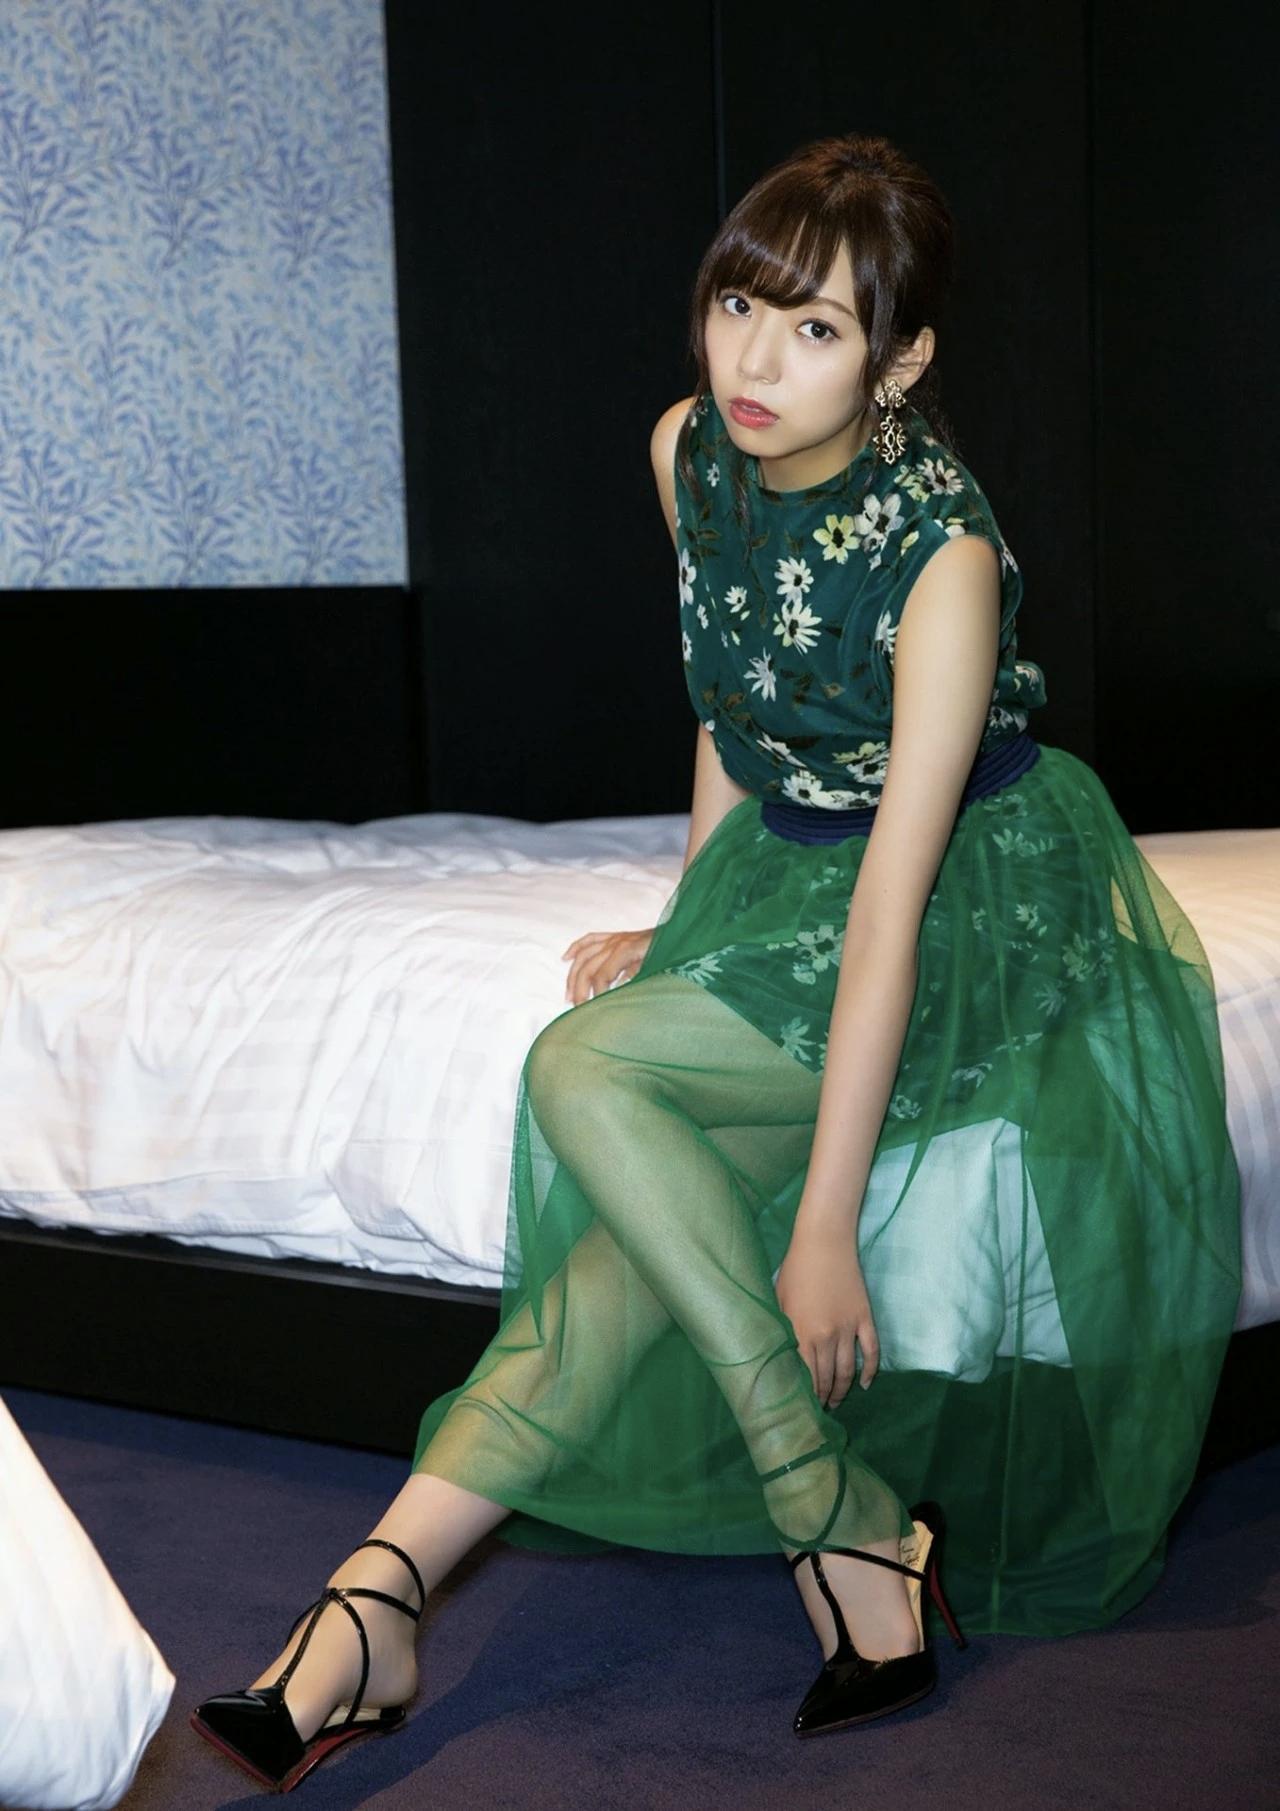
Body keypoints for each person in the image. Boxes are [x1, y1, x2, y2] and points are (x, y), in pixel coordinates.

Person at [190, 131, 1242, 1790]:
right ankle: (397, 1594)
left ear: (902, 364)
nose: (755, 359)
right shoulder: (690, 448)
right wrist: (698, 929)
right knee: (626, 1224)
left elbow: (894, 901)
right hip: (792, 870)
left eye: (817, 329)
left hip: (968, 898)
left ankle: (763, 1518)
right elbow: (730, 691)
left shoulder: (944, 556)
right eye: (741, 304)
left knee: (582, 1069)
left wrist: (824, 1228)